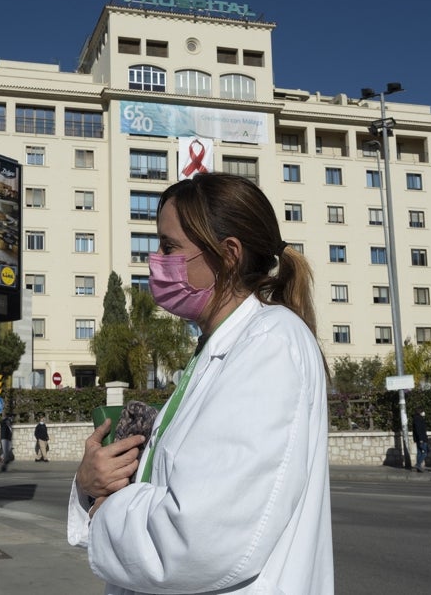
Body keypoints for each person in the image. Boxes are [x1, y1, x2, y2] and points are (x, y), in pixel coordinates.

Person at [68, 172, 333, 593]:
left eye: (170, 247)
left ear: (228, 254)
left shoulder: (270, 343)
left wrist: (105, 510)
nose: (156, 260)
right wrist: (93, 480)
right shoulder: (214, 348)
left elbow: (197, 537)